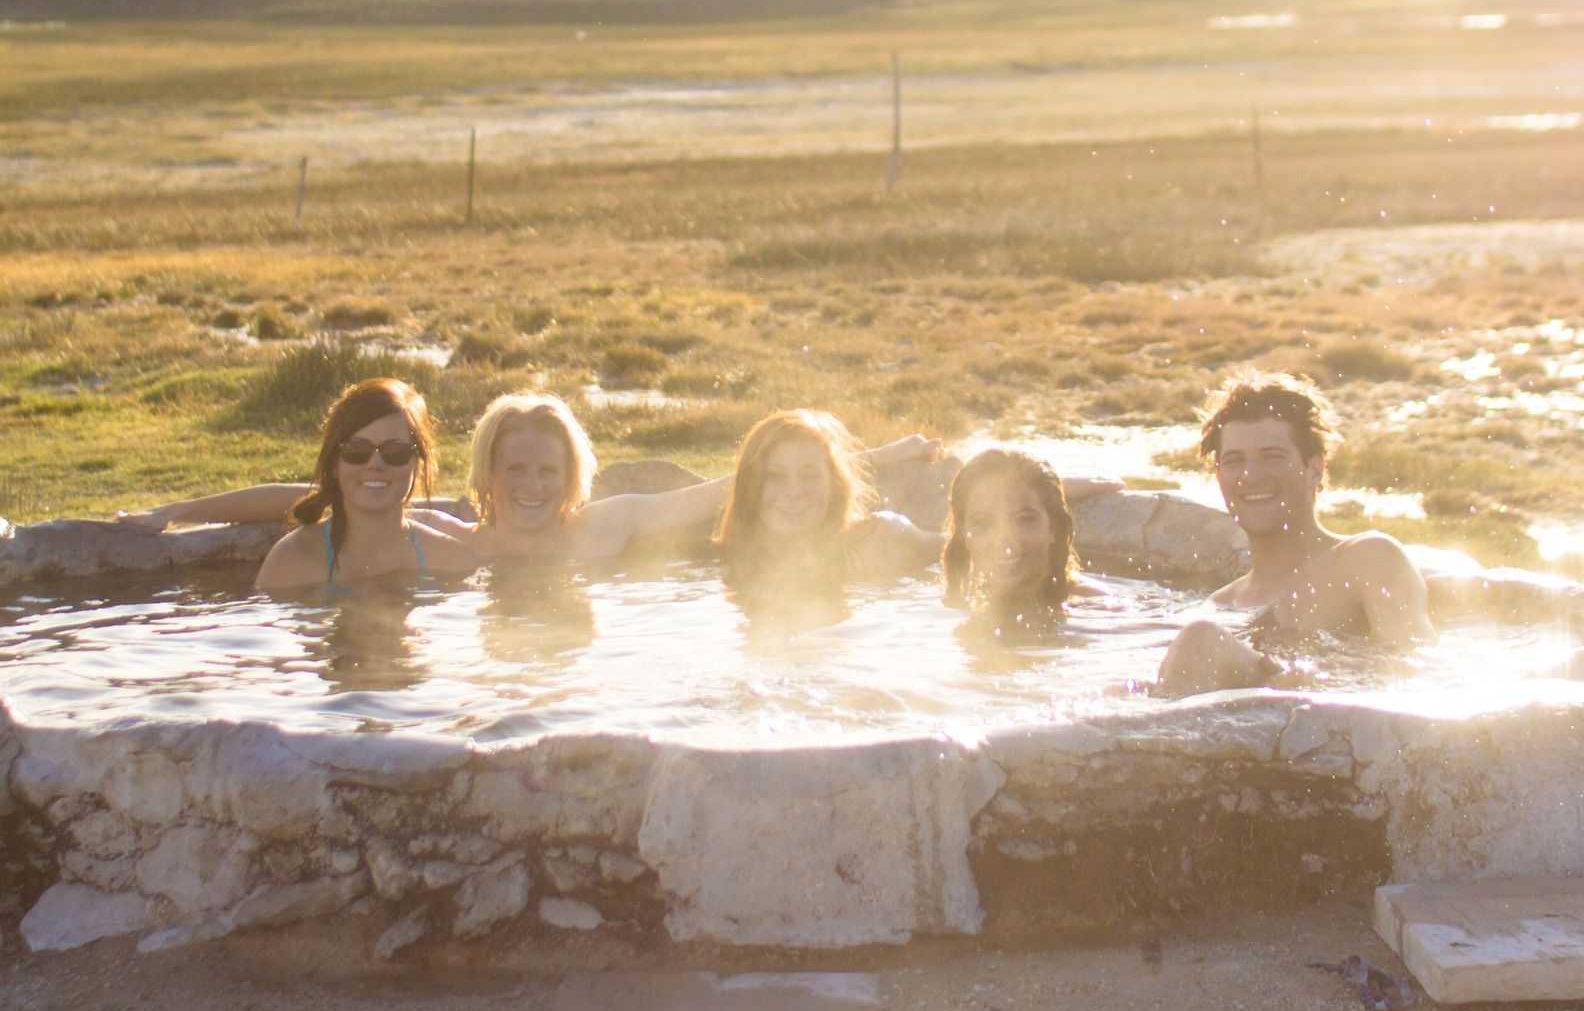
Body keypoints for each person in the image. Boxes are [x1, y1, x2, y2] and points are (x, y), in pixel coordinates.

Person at [118, 390, 938, 564]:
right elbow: (308, 502)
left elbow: (738, 484)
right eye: (516, 468)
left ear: (574, 474)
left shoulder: (609, 526)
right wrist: (178, 508)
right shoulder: (458, 544)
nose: (533, 484)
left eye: (549, 468)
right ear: (487, 474)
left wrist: (887, 458)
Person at [1156, 370, 1432, 695]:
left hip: (1329, 721)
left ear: (1315, 469)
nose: (1251, 475)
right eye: (1234, 461)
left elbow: (1415, 668)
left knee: (1201, 640)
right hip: (1238, 721)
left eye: (1273, 457)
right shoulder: (1222, 603)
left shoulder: (1365, 560)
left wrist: (1307, 681)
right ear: (1219, 478)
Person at [253, 378, 475, 592]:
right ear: (334, 464)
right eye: (356, 451)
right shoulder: (292, 561)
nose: (375, 464)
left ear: (417, 465)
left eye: (395, 452)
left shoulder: (451, 560)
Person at [713, 410, 941, 611]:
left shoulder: (878, 540)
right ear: (749, 486)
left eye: (810, 475)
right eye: (775, 475)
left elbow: (955, 549)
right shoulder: (735, 551)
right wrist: (880, 455)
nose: (794, 491)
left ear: (835, 484)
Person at [940, 448, 1104, 626]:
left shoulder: (1093, 607)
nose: (1004, 541)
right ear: (963, 534)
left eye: (1024, 520)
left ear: (1054, 528)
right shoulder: (962, 597)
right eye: (983, 522)